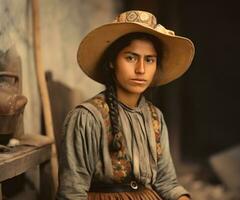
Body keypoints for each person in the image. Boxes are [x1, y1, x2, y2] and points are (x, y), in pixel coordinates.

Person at [56, 10, 195, 200]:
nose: (141, 69)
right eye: (130, 57)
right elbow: (72, 192)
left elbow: (166, 181)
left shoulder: (155, 118)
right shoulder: (86, 118)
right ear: (112, 61)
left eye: (149, 60)